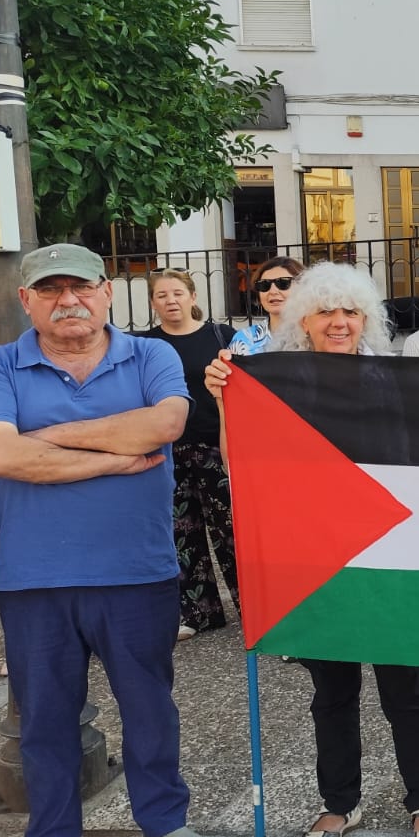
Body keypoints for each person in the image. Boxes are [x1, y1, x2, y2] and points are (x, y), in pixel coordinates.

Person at [0, 245, 213, 837]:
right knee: (44, 721)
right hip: (34, 580)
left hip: (136, 573)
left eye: (78, 288)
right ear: (27, 302)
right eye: (48, 291)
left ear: (106, 293)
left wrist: (42, 441)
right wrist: (112, 457)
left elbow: (166, 423)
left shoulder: (151, 357)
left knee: (150, 708)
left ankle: (164, 821)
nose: (66, 302)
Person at [205, 263, 419, 837]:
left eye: (351, 312)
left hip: (386, 550)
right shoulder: (275, 383)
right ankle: (340, 800)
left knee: (403, 682)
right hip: (317, 555)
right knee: (331, 688)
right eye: (326, 312)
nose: (339, 322)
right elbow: (241, 466)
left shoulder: (394, 376)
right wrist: (225, 400)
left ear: (365, 318)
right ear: (303, 321)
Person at [141, 270, 238, 639]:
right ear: (153, 302)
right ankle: (199, 612)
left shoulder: (220, 336)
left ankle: (253, 608)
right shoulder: (148, 346)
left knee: (231, 530)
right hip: (170, 449)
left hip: (217, 446)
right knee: (182, 532)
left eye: (177, 293)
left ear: (193, 297)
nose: (170, 300)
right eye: (161, 295)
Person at [230, 256, 306, 356]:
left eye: (283, 283)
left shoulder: (316, 335)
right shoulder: (244, 339)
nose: (273, 291)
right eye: (264, 285)